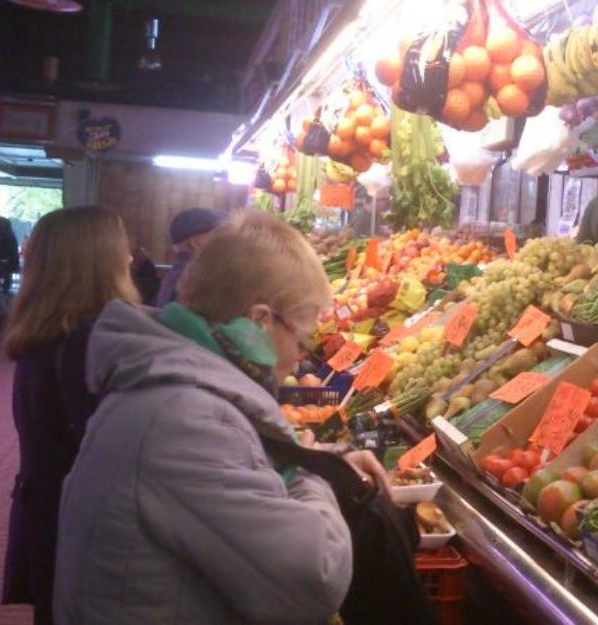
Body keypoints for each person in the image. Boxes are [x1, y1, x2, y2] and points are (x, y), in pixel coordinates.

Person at [55, 211, 381, 625]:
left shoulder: (174, 385)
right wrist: (314, 473)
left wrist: (325, 459)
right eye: (300, 336)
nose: (299, 357)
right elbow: (316, 577)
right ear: (260, 320)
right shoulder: (186, 421)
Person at [1, 206, 140, 625]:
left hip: (48, 506)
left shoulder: (48, 331)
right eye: (122, 250)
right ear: (95, 263)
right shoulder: (90, 342)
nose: (131, 258)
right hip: (78, 521)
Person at [153, 207, 228, 307]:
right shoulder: (194, 283)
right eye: (220, 236)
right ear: (196, 242)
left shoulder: (178, 277)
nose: (227, 244)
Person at [0, 215, 21, 293]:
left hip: (2, 261)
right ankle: (4, 295)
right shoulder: (9, 233)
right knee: (7, 281)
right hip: (10, 261)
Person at [129, 241, 161, 305]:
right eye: (135, 256)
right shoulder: (134, 267)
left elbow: (153, 282)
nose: (137, 258)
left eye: (139, 255)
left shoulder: (148, 266)